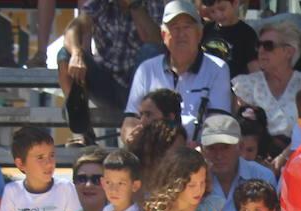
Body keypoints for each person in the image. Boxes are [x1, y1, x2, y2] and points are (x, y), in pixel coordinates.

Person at [123, 0, 231, 146]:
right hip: (152, 153)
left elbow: (219, 123)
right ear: (163, 35)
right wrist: (132, 139)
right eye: (174, 27)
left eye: (187, 27)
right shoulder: (146, 70)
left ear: (199, 34)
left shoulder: (218, 69)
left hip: (197, 155)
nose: (181, 34)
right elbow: (130, 120)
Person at [60, 0, 164, 145]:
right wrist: (77, 53)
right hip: (106, 84)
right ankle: (83, 127)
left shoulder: (152, 3)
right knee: (65, 54)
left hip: (139, 89)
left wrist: (134, 5)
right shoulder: (100, 3)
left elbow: (156, 39)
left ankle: (141, 134)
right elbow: (73, 28)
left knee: (151, 50)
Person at [231, 16, 301, 150]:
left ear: (289, 52)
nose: (261, 50)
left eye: (268, 46)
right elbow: (241, 133)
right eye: (258, 45)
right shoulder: (246, 86)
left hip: (300, 159)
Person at [201, 113, 277, 211]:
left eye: (225, 147)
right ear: (202, 150)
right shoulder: (193, 182)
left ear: (240, 147)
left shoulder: (263, 177)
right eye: (212, 148)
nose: (219, 155)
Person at [201, 0, 257, 78]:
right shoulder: (207, 30)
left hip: (233, 87)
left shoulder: (247, 34)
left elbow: (254, 70)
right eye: (212, 11)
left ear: (235, 3)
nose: (218, 15)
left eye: (222, 9)